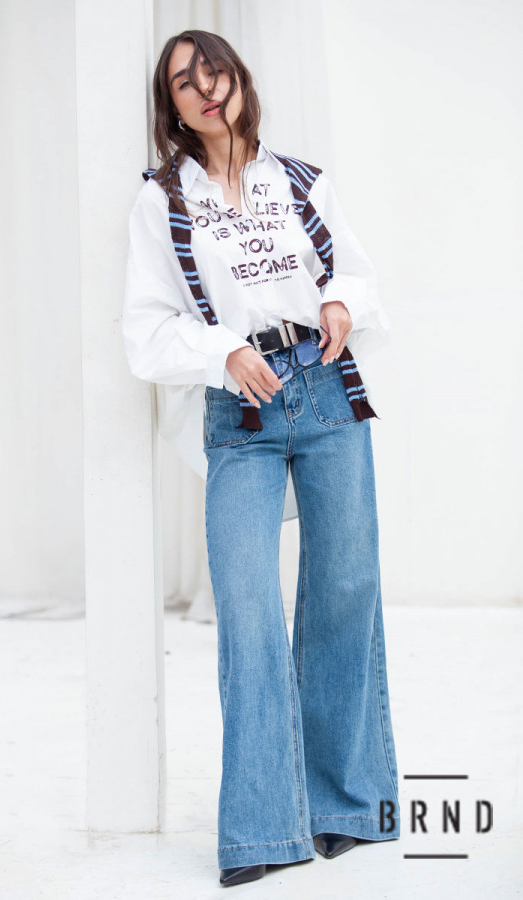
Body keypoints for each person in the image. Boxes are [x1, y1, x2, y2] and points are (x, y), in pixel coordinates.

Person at [121, 29, 401, 888]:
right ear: (172, 107)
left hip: (326, 390)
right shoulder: (163, 200)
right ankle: (262, 829)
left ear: (239, 79)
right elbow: (146, 329)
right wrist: (223, 351)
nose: (205, 87)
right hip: (239, 409)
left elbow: (355, 274)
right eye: (184, 81)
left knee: (345, 590)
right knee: (246, 611)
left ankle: (346, 804)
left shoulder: (302, 182)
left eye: (214, 70)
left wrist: (340, 303)